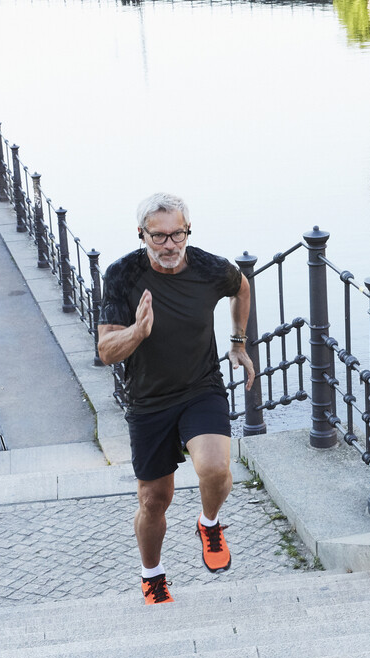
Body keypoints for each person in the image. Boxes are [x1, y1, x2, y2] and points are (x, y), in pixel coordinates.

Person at [98, 192, 255, 605]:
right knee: (154, 500)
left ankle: (209, 523)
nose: (169, 245)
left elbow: (242, 287)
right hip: (148, 400)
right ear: (142, 235)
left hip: (200, 387)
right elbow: (106, 351)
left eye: (177, 234)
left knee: (216, 469)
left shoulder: (207, 267)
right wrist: (137, 332)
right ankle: (152, 575)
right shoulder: (122, 275)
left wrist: (238, 342)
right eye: (159, 237)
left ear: (188, 231)